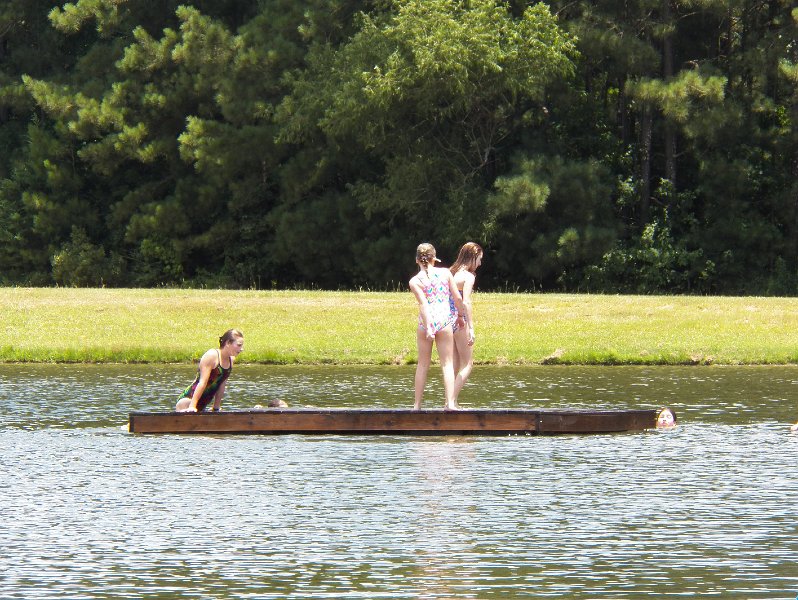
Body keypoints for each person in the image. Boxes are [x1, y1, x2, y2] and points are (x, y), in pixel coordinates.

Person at [409, 243, 465, 411]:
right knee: (447, 364)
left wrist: (428, 327)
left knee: (422, 365)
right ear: (434, 258)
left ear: (417, 260)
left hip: (425, 323)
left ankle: (417, 405)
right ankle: (450, 404)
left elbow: (424, 304)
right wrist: (460, 316)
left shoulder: (414, 281)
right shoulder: (445, 273)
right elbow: (457, 298)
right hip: (444, 321)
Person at [175, 329, 244, 412]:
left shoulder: (231, 360)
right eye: (239, 345)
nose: (241, 349)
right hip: (188, 401)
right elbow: (202, 382)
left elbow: (222, 384)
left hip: (202, 405)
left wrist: (216, 408)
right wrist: (192, 406)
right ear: (228, 343)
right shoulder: (212, 355)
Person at [449, 242, 483, 405]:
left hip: (447, 321)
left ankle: (451, 402)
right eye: (479, 259)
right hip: (460, 321)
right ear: (473, 257)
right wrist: (471, 327)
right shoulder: (468, 277)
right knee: (468, 364)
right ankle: (451, 401)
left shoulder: (451, 273)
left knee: (454, 364)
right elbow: (466, 301)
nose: (480, 263)